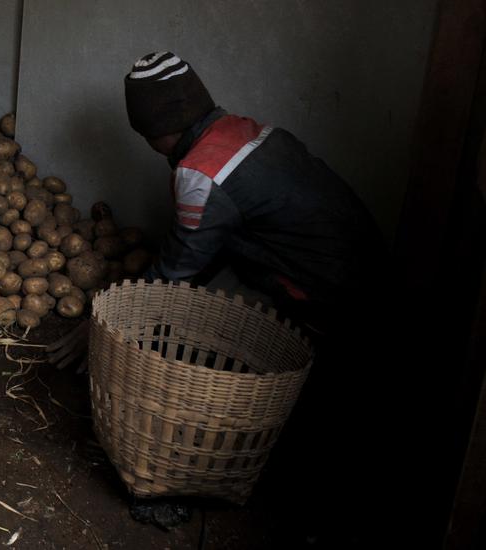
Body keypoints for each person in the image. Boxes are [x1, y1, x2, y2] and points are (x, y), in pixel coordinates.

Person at [48, 50, 382, 369]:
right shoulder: (251, 130)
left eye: (146, 136)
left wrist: (104, 324)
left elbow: (171, 276)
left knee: (166, 334)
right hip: (369, 267)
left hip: (329, 298)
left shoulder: (201, 173)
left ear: (156, 133)